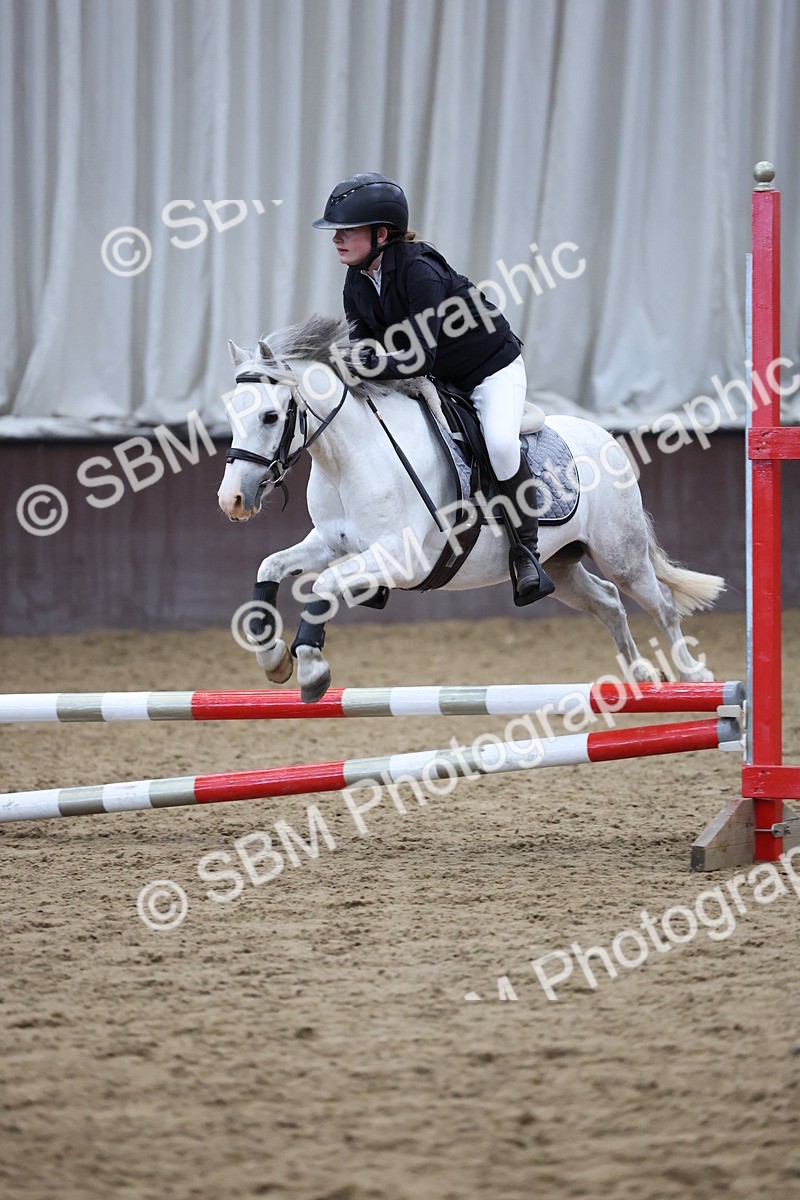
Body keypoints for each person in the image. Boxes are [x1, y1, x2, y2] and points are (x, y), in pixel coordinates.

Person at [313, 172, 555, 604]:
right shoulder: (356, 281)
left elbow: (418, 358)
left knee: (501, 444)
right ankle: (376, 559)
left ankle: (526, 553)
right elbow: (367, 350)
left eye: (347, 230)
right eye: (336, 231)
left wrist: (359, 362)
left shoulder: (420, 271)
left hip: (489, 369)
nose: (337, 239)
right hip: (438, 378)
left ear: (381, 234)